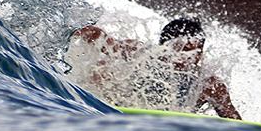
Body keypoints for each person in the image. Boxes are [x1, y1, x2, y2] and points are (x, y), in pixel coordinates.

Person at [72, 18, 242, 120]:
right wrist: (79, 32)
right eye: (182, 49)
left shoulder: (209, 85)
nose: (190, 57)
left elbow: (236, 124)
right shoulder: (142, 53)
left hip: (166, 129)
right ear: (165, 47)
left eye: (196, 52)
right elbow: (105, 41)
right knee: (102, 69)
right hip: (120, 110)